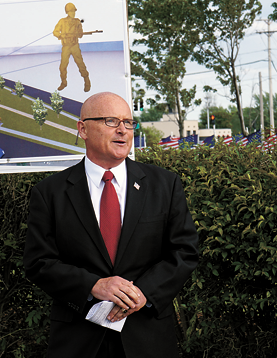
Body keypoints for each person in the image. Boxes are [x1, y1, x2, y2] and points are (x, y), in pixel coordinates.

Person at [23, 92, 198, 358]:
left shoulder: (164, 185)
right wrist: (94, 285)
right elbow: (39, 262)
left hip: (146, 338)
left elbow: (184, 252)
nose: (123, 130)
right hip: (78, 341)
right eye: (110, 121)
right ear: (83, 128)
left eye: (128, 123)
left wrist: (143, 293)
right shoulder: (50, 193)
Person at [53, 2, 91, 92]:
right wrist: (61, 35)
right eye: (71, 11)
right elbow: (55, 32)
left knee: (80, 64)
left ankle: (87, 81)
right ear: (67, 12)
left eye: (74, 11)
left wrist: (78, 33)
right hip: (66, 46)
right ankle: (64, 82)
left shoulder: (77, 21)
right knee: (63, 66)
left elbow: (81, 35)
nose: (73, 13)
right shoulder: (62, 21)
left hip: (74, 46)